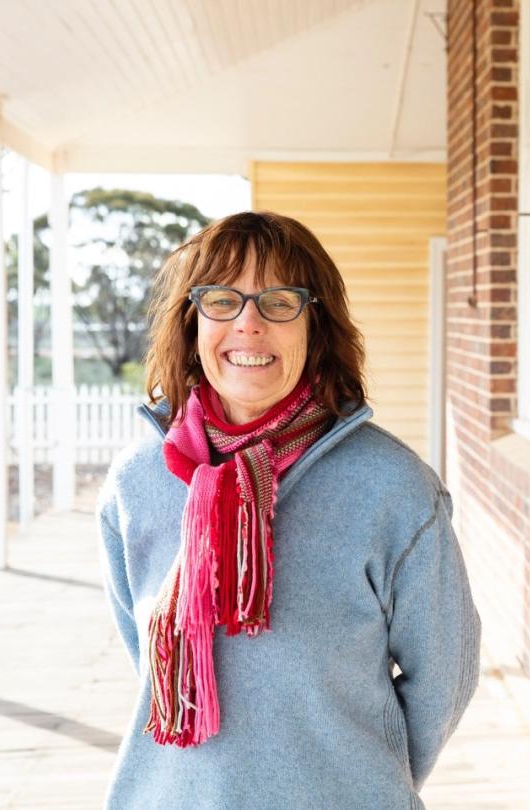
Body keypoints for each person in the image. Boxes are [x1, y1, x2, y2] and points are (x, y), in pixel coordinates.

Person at [96, 210, 482, 809]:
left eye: (280, 302)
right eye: (222, 300)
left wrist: (362, 778)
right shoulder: (137, 481)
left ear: (316, 325)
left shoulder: (392, 488)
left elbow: (445, 678)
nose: (249, 324)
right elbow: (144, 657)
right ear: (192, 323)